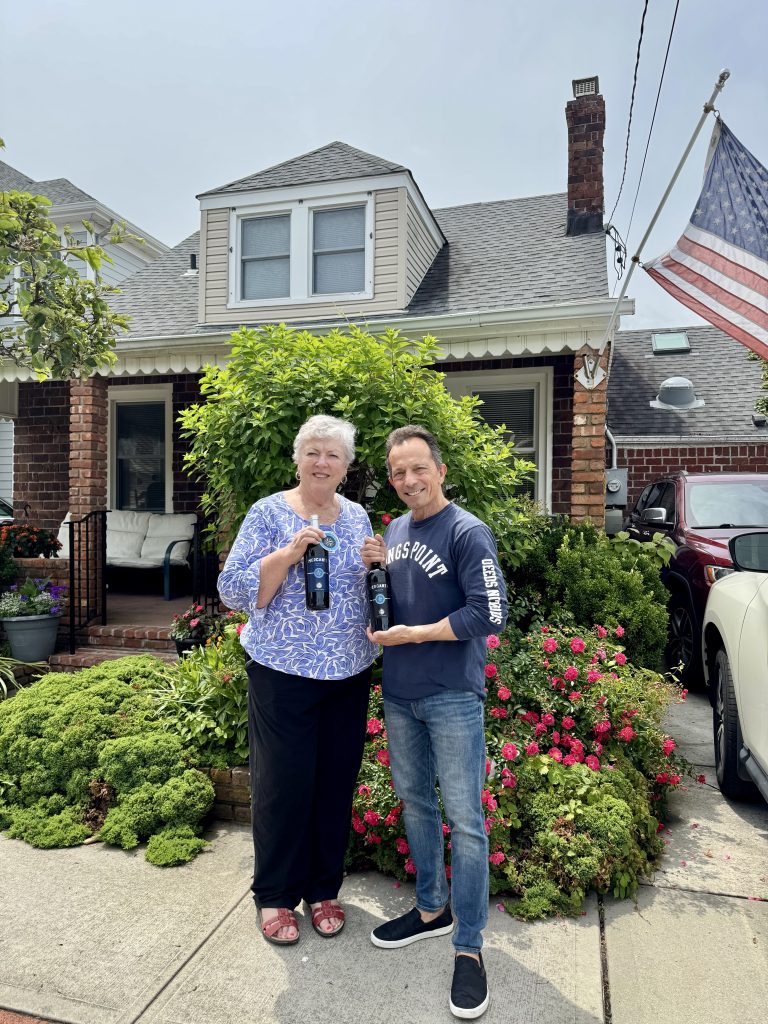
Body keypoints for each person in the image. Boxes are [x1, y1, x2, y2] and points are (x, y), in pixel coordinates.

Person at [361, 425, 507, 1021]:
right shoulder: (396, 531)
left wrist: (414, 635)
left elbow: (489, 613)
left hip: (451, 696)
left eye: (418, 467)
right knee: (416, 803)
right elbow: (394, 604)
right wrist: (374, 569)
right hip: (401, 696)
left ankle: (468, 947)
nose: (409, 480)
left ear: (440, 470)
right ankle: (430, 909)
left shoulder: (467, 532)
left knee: (466, 821)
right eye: (398, 472)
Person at [219, 414, 376, 946]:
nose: (322, 463)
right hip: (283, 672)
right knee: (283, 785)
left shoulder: (356, 516)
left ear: (346, 467)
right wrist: (287, 554)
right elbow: (233, 589)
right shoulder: (268, 512)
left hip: (348, 671)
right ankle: (276, 895)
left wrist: (378, 564)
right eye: (313, 452)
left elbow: (364, 589)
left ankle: (324, 888)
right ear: (297, 459)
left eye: (333, 455)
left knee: (335, 782)